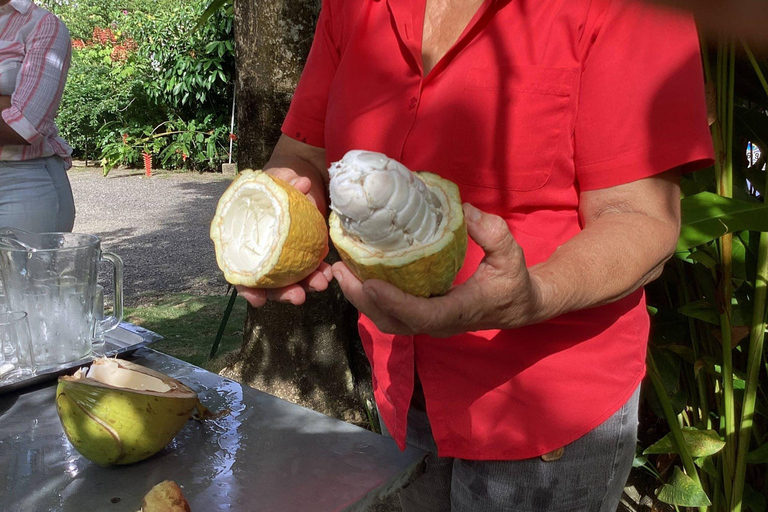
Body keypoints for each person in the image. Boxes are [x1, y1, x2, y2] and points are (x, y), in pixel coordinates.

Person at [236, 0, 714, 510]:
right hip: (402, 387)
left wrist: (532, 296)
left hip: (546, 410)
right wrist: (288, 209)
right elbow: (304, 152)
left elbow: (641, 217)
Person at [0, 0, 74, 233]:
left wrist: (14, 110)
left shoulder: (43, 25)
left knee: (21, 271)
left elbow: (24, 124)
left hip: (19, 184)